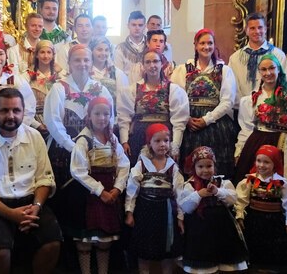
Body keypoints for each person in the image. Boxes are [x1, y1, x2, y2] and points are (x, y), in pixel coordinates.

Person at [0, 88, 61, 274]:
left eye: (16, 110)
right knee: (0, 254)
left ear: (23, 112)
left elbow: (45, 178)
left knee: (52, 244)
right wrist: (11, 214)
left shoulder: (35, 137)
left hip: (31, 204)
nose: (11, 116)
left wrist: (37, 206)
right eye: (4, 110)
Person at [69, 97, 130, 274]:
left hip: (110, 191)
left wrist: (117, 189)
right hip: (88, 194)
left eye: (106, 114)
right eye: (97, 113)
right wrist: (100, 191)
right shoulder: (83, 140)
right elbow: (78, 171)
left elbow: (123, 165)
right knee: (85, 241)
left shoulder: (112, 139)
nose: (102, 118)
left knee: (105, 241)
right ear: (89, 115)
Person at [234, 54, 287, 187]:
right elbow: (246, 128)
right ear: (259, 72)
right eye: (263, 69)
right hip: (256, 142)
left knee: (280, 184)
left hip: (282, 143)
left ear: (279, 69)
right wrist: (239, 150)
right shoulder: (251, 99)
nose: (268, 73)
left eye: (271, 68)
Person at [43, 44, 113, 191]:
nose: (82, 64)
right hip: (64, 150)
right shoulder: (59, 88)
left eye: (86, 60)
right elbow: (53, 121)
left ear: (91, 63)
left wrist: (101, 145)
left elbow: (109, 118)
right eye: (77, 60)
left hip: (93, 151)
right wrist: (73, 148)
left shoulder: (100, 89)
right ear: (69, 64)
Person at [171, 29, 237, 179]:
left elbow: (227, 102)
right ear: (195, 45)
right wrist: (186, 119)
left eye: (210, 43)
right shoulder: (182, 70)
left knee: (215, 168)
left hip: (216, 125)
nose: (206, 47)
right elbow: (176, 99)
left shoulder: (224, 70)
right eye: (202, 43)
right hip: (190, 126)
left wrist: (206, 120)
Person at [124, 123, 184, 274]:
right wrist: (129, 212)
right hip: (145, 212)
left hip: (166, 213)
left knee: (166, 250)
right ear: (149, 143)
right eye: (157, 141)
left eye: (166, 140)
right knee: (144, 248)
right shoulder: (142, 164)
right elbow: (132, 190)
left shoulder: (173, 167)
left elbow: (179, 194)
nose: (163, 144)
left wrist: (180, 217)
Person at [179, 146, 248, 273]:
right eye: (200, 167)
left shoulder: (222, 182)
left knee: (224, 253)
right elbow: (185, 207)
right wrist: (198, 194)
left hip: (222, 226)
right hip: (199, 228)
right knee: (203, 256)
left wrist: (218, 192)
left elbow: (233, 199)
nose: (205, 170)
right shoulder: (190, 185)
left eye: (209, 166)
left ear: (214, 166)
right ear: (194, 167)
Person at [117, 50, 189, 167]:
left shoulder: (173, 90)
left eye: (155, 61)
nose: (152, 65)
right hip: (140, 137)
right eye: (148, 62)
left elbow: (179, 121)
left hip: (164, 138)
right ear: (143, 65)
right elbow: (124, 117)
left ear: (162, 64)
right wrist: (124, 141)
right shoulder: (132, 90)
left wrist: (175, 145)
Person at [235, 145, 287, 272]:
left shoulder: (282, 184)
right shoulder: (249, 180)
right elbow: (241, 199)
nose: (261, 165)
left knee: (273, 246)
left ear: (274, 163)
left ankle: (272, 267)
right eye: (258, 161)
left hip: (274, 221)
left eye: (266, 162)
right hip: (254, 219)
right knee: (254, 244)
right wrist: (240, 215)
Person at [228, 12, 287, 109]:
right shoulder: (235, 58)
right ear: (246, 30)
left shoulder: (277, 55)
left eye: (260, 27)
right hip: (242, 109)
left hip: (271, 109)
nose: (257, 31)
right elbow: (232, 87)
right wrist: (245, 105)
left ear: (265, 29)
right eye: (252, 28)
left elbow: (283, 82)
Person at [22, 40, 64, 137]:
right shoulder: (26, 76)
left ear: (53, 55)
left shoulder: (61, 75)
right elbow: (23, 103)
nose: (46, 56)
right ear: (36, 55)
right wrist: (36, 124)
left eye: (49, 52)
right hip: (34, 121)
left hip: (58, 120)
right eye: (42, 52)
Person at [89, 36, 128, 115]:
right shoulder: (85, 72)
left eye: (106, 50)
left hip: (111, 116)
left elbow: (123, 102)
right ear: (91, 51)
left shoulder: (118, 73)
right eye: (99, 50)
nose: (103, 53)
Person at [114, 11, 147, 78]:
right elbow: (118, 74)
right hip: (127, 86)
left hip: (147, 86)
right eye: (133, 25)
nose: (137, 28)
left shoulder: (150, 46)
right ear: (128, 25)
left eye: (140, 25)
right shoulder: (120, 48)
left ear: (144, 26)